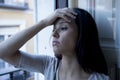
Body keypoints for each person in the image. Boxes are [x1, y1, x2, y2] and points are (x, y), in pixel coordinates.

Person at [0, 8, 110, 80]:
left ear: (82, 34)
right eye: (53, 29)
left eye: (63, 28)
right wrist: (44, 22)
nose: (54, 34)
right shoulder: (49, 65)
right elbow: (3, 52)